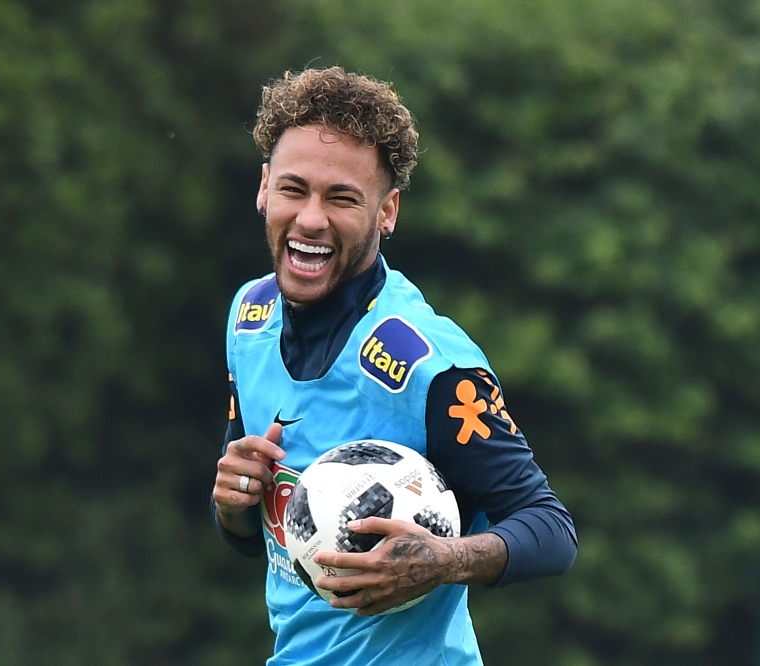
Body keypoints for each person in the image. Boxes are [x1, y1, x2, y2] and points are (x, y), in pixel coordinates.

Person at [211, 66, 577, 666]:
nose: (310, 219)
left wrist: (443, 560)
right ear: (263, 188)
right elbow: (254, 535)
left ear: (388, 212)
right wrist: (234, 504)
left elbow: (551, 531)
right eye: (294, 189)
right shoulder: (250, 315)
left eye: (343, 198)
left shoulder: (432, 366)